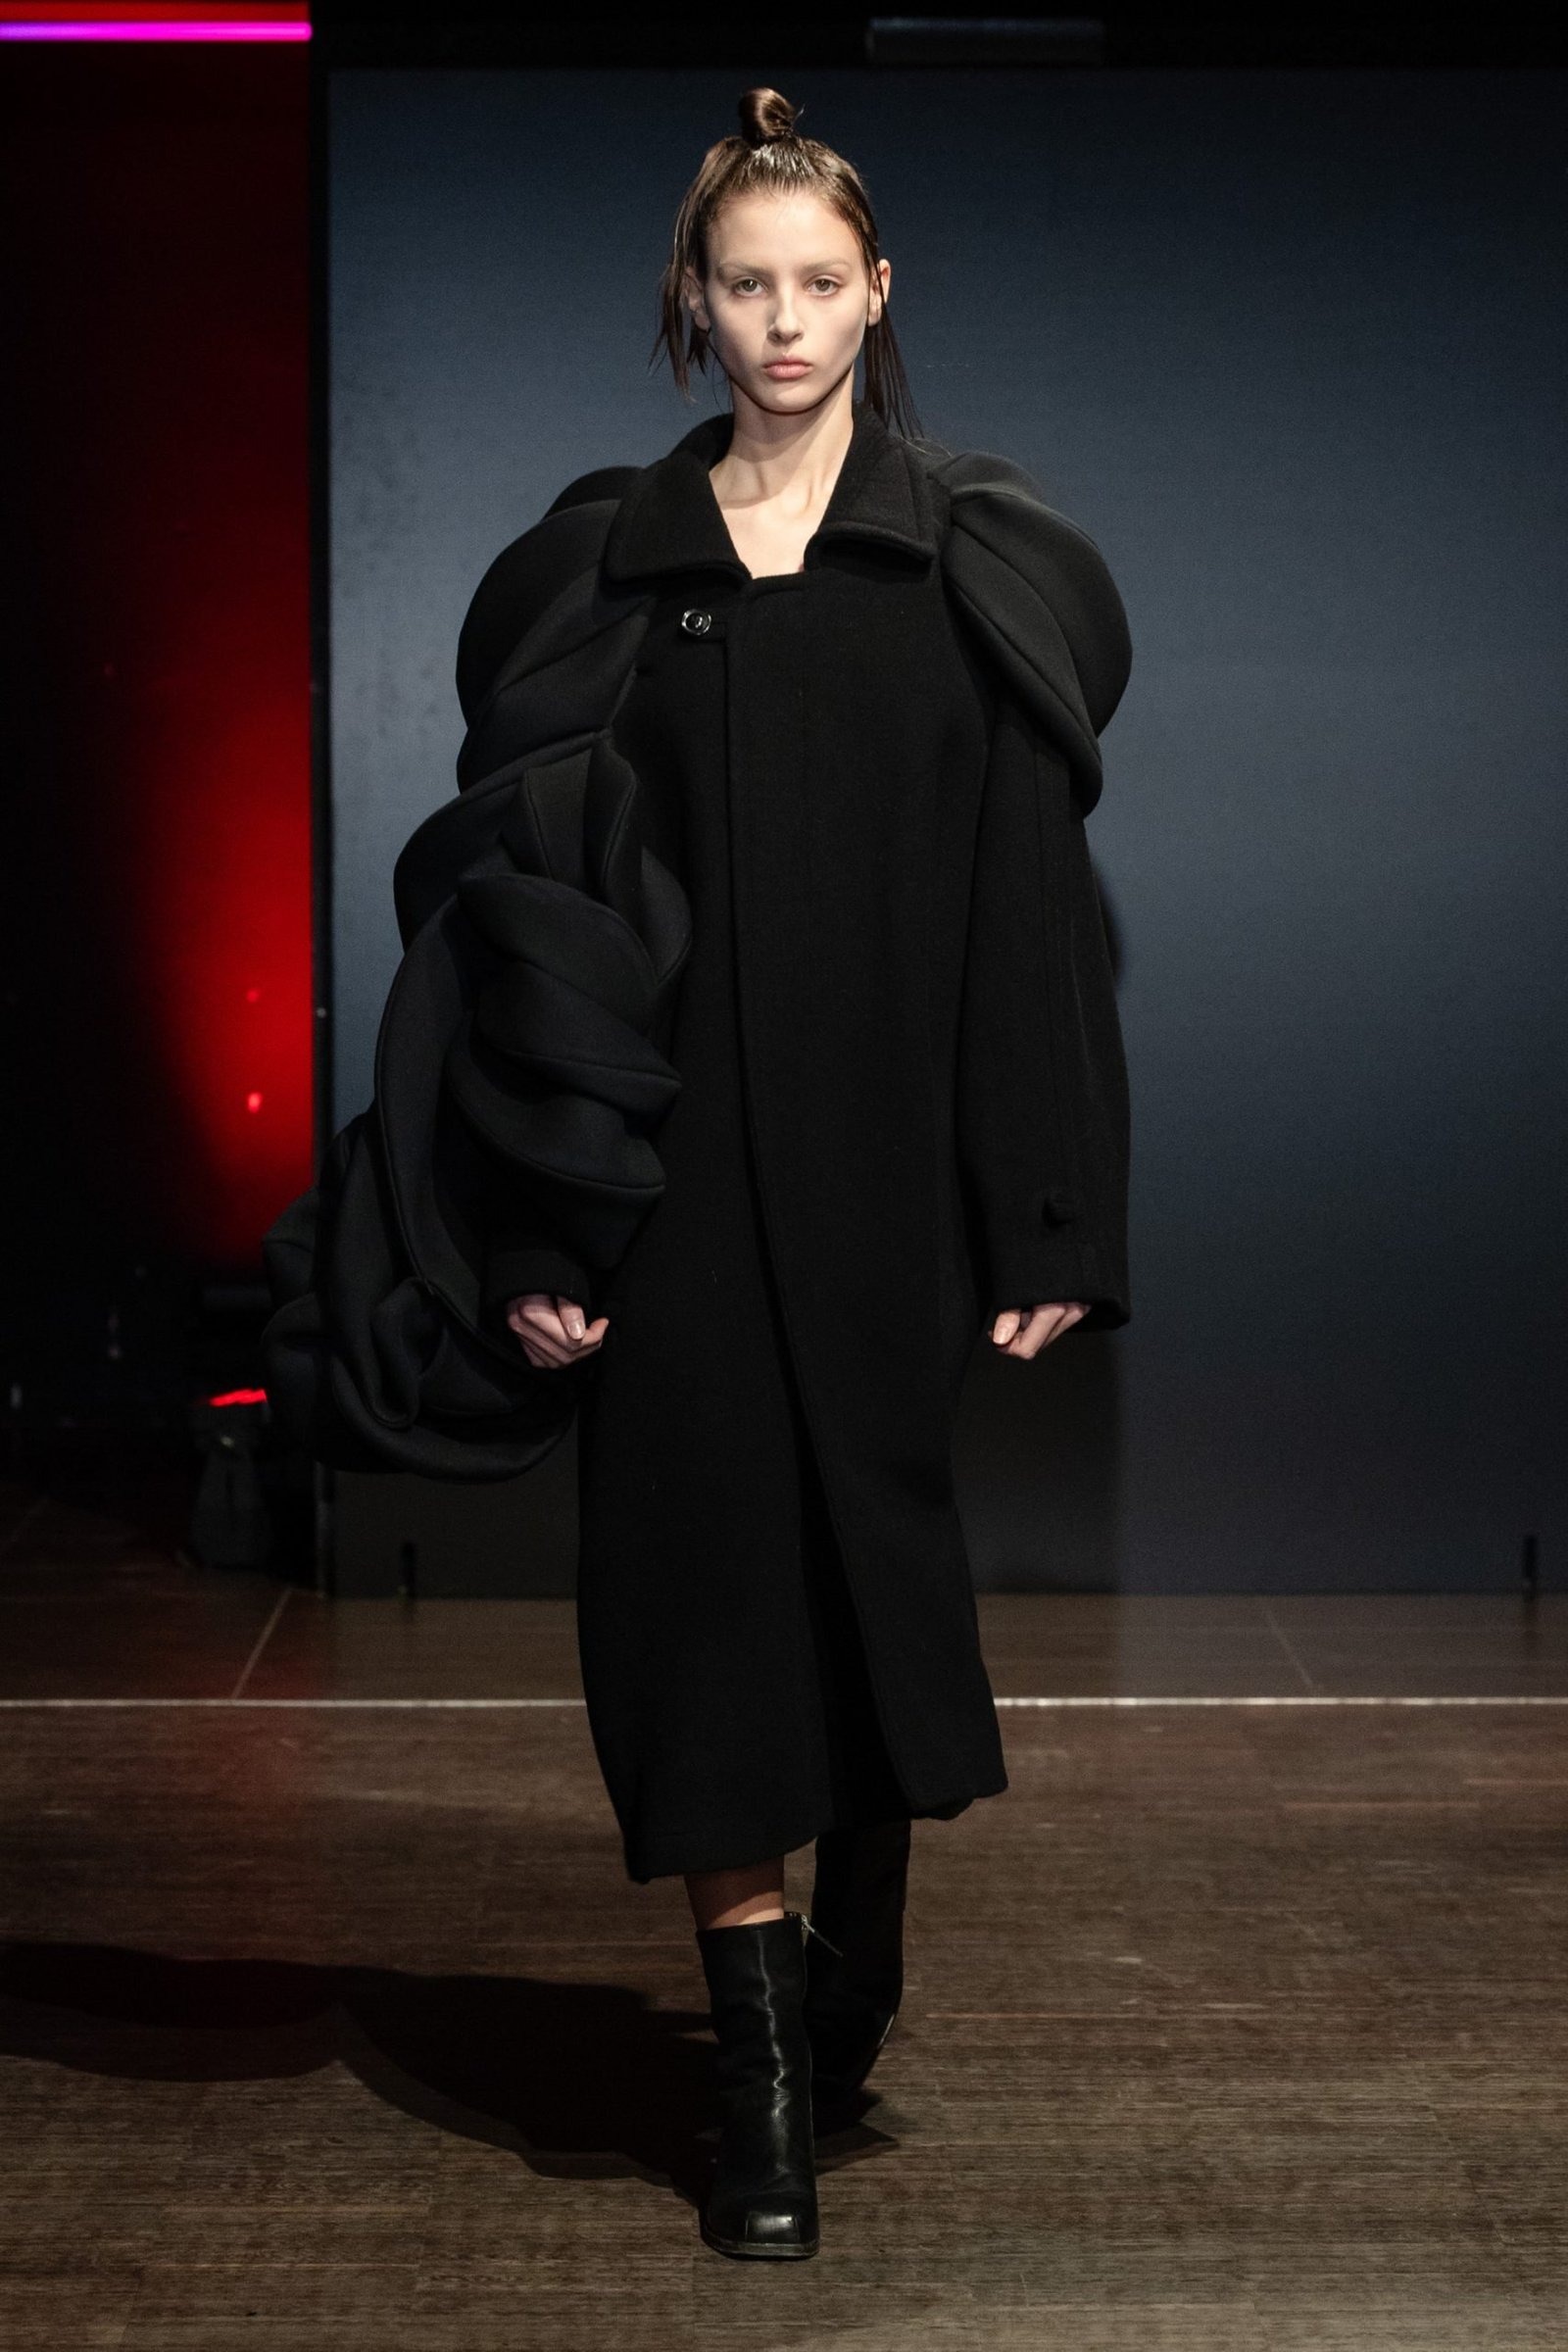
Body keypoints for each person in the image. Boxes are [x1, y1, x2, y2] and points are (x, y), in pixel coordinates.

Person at [452, 85, 1133, 2261]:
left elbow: (1025, 909)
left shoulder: (960, 571)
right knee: (693, 1609)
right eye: (743, 282)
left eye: (817, 282)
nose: (780, 320)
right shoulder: (613, 581)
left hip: (887, 1192)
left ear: (874, 294)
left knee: (857, 1590)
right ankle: (751, 2076)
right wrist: (545, 1209)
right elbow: (538, 928)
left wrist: (1046, 1206)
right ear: (696, 296)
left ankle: (858, 1960)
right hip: (665, 1194)